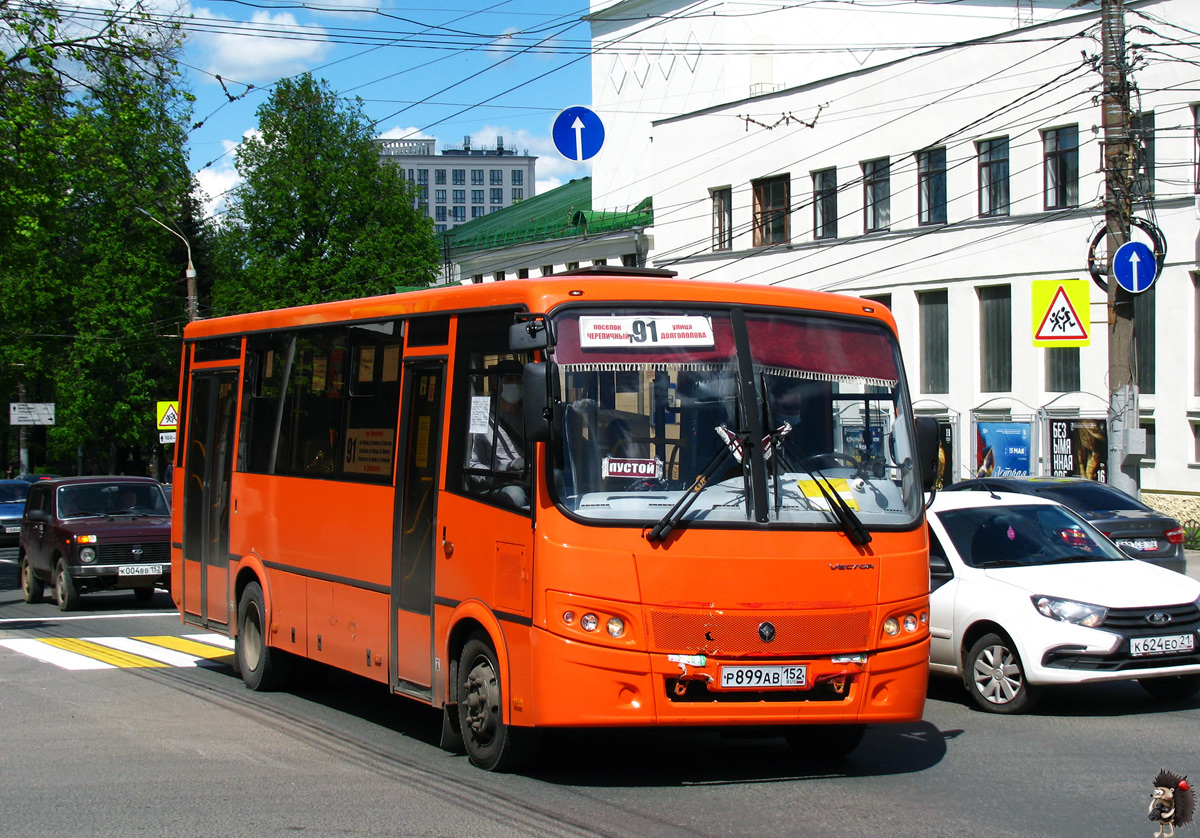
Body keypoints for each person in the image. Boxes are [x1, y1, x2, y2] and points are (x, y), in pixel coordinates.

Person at [467, 359, 528, 508]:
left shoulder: (530, 416)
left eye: (519, 379)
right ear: (496, 382)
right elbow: (473, 465)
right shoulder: (482, 417)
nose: (515, 384)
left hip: (531, 480)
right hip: (501, 485)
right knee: (515, 496)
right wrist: (503, 469)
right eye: (509, 379)